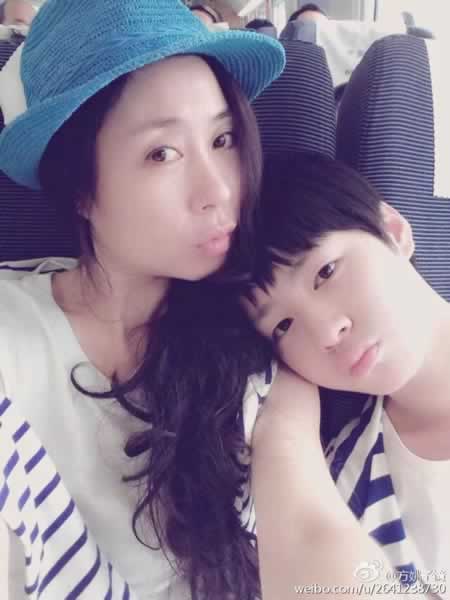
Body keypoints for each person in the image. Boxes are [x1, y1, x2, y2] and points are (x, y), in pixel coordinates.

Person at [0, 1, 422, 598]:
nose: (219, 188)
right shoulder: (13, 329)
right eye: (162, 153)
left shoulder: (265, 343)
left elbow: (307, 525)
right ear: (80, 192)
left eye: (223, 139)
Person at [242, 152, 450, 594]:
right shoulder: (346, 491)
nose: (325, 332)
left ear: (393, 230)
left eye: (326, 272)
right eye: (283, 326)